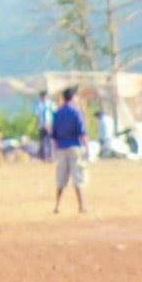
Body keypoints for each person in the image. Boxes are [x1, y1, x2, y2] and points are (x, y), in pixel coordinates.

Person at [51, 86, 89, 214]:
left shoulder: (58, 112)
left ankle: (57, 205)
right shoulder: (76, 112)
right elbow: (82, 132)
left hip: (61, 148)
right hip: (74, 147)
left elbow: (54, 134)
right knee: (78, 176)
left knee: (61, 178)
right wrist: (87, 147)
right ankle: (81, 206)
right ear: (73, 97)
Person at [33, 90, 56, 162]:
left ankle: (51, 156)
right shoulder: (38, 104)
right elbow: (37, 116)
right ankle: (45, 157)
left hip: (49, 124)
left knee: (50, 140)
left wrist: (53, 124)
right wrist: (37, 125)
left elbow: (54, 113)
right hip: (42, 125)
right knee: (43, 141)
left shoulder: (51, 103)